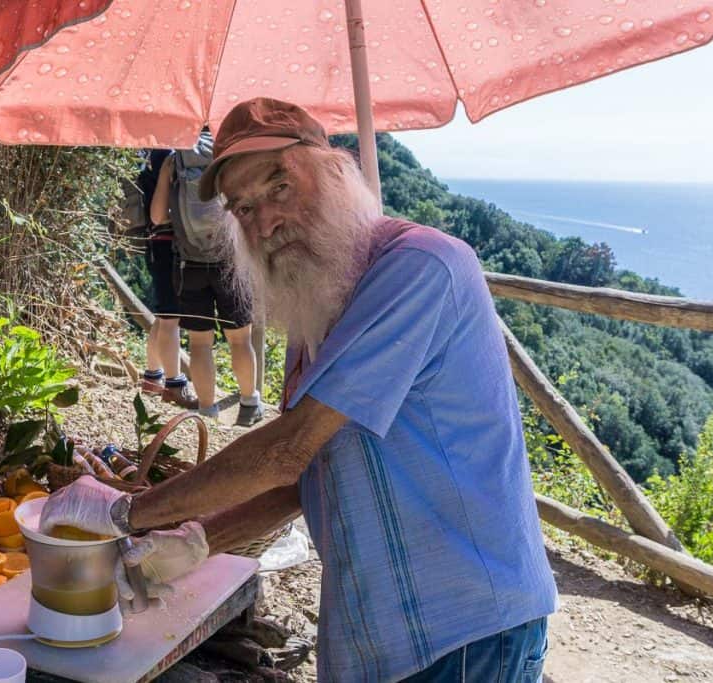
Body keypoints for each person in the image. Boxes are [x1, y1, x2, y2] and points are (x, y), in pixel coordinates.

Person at [42, 98, 557, 681]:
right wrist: (194, 543)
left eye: (279, 186)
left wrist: (124, 513)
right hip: (377, 634)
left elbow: (291, 446)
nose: (263, 222)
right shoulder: (320, 311)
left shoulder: (423, 266)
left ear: (336, 170)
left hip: (465, 632)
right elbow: (307, 474)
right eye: (242, 208)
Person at [151, 132, 262, 427]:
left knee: (199, 344)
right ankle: (249, 404)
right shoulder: (229, 153)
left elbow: (157, 216)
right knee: (240, 340)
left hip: (191, 265)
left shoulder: (176, 159)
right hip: (230, 263)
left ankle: (207, 410)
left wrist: (167, 174)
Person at [135, 148, 197, 409]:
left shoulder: (155, 153)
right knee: (172, 318)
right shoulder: (171, 156)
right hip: (169, 244)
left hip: (155, 242)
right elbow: (162, 212)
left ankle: (152, 377)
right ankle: (175, 385)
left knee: (164, 316)